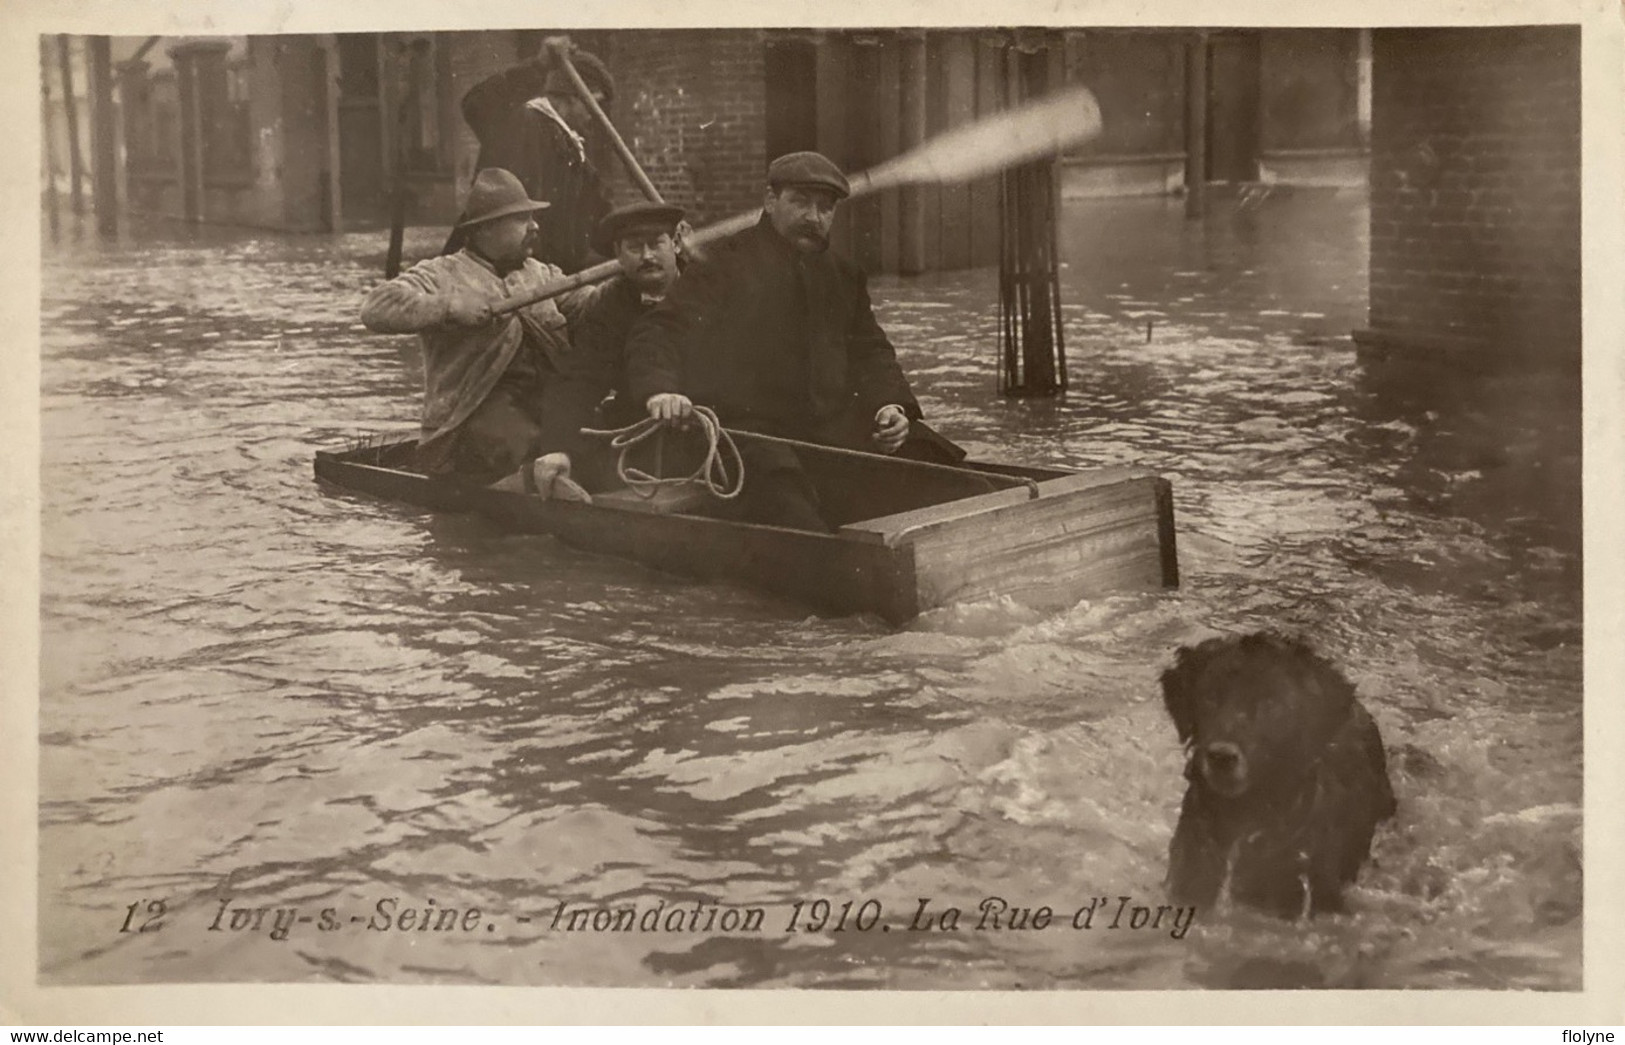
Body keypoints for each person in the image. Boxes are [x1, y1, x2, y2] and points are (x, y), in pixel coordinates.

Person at [623, 151, 963, 531]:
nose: (813, 218)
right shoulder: (720, 263)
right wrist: (660, 392)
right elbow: (658, 330)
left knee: (938, 463)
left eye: (825, 207)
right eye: (800, 202)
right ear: (770, 201)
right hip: (748, 435)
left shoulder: (843, 275)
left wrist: (891, 407)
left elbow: (871, 351)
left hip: (828, 432)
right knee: (791, 508)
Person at [360, 168, 595, 498]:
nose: (535, 227)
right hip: (469, 422)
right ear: (485, 228)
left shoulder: (540, 273)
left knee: (590, 436)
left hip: (543, 405)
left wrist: (638, 275)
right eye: (521, 220)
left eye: (532, 218)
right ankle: (533, 485)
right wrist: (450, 307)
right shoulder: (442, 273)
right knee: (519, 441)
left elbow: (590, 305)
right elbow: (375, 307)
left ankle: (551, 476)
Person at [448, 38, 613, 273]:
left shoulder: (576, 153)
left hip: (545, 278)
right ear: (569, 97)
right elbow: (477, 104)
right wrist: (538, 67)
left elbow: (600, 217)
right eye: (594, 104)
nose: (597, 116)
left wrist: (648, 234)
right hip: (494, 273)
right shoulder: (521, 122)